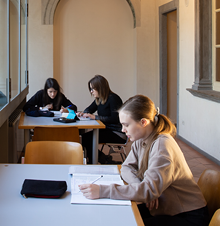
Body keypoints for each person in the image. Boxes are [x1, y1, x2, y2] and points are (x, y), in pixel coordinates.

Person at [78, 95, 209, 226]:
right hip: (164, 208)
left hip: (187, 216)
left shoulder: (162, 145)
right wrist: (142, 189)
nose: (123, 130)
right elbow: (126, 167)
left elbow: (148, 191)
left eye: (126, 125)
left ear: (143, 122)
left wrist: (103, 191)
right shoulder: (141, 139)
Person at [78, 75, 126, 164]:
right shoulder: (99, 99)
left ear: (100, 88)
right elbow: (89, 109)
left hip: (117, 133)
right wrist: (83, 113)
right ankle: (103, 159)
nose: (91, 92)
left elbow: (115, 119)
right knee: (84, 138)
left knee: (85, 139)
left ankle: (99, 160)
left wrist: (95, 117)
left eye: (93, 89)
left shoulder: (113, 98)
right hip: (107, 130)